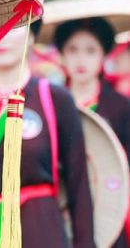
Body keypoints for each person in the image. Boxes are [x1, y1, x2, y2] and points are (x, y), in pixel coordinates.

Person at [0, 24, 95, 248]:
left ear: (32, 35)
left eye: (13, 27)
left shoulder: (55, 99)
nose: (1, 37)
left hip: (42, 231)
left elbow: (79, 185)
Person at [55, 17, 130, 247]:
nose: (81, 60)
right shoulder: (50, 103)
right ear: (62, 54)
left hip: (110, 209)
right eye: (73, 50)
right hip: (60, 211)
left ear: (104, 55)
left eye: (90, 51)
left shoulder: (121, 107)